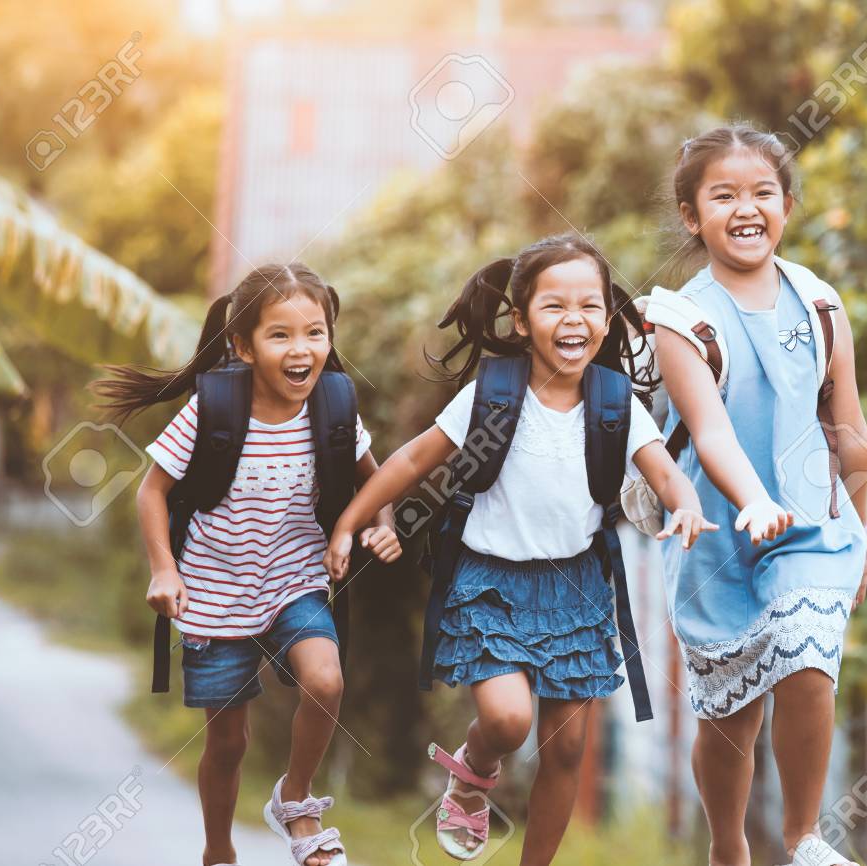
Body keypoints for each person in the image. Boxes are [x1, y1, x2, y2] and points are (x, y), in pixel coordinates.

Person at [326, 234, 714, 865]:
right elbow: (414, 460)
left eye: (589, 306)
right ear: (521, 320)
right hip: (490, 585)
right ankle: (474, 772)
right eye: (554, 305)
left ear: (608, 319)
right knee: (508, 721)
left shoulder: (614, 402)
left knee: (566, 748)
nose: (574, 319)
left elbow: (664, 472)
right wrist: (349, 522)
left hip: (577, 589)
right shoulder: (495, 393)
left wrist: (687, 505)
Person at [647, 125, 867, 866]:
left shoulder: (820, 303)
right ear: (692, 216)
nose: (746, 208)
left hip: (812, 527)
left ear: (787, 205)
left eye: (763, 192)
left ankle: (804, 839)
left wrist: (859, 525)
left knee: (806, 656)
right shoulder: (680, 320)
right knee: (729, 718)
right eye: (723, 195)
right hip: (716, 536)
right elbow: (710, 432)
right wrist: (754, 500)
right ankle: (727, 845)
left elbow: (848, 430)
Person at [96, 263, 400, 866]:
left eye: (315, 333)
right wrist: (164, 569)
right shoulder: (213, 409)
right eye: (280, 334)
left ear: (330, 338)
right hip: (213, 589)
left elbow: (377, 481)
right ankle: (218, 850)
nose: (301, 349)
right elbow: (151, 492)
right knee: (228, 742)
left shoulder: (335, 407)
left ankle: (296, 798)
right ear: (243, 346)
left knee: (326, 681)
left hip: (295, 578)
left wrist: (381, 525)